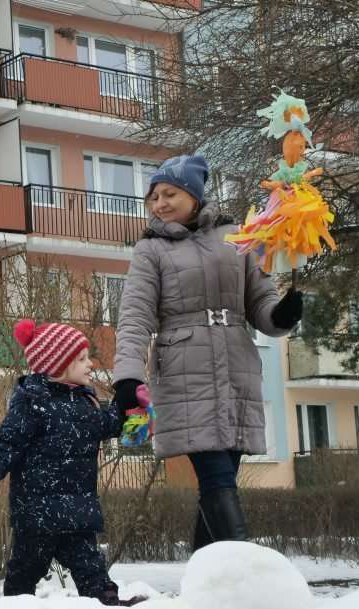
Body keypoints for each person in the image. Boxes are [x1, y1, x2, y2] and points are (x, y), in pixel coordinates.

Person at [112, 154, 300, 549]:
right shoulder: (151, 250)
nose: (160, 203)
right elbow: (134, 316)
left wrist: (281, 314)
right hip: (185, 369)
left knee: (221, 481)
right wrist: (129, 376)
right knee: (215, 477)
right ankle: (245, 569)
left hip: (236, 369)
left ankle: (205, 579)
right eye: (154, 197)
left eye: (170, 193)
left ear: (195, 196)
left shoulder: (237, 238)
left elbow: (260, 305)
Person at [0, 320, 144, 606]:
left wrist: (126, 402)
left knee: (91, 567)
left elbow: (110, 425)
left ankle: (107, 604)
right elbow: (8, 442)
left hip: (78, 512)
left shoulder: (86, 402)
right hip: (37, 515)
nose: (90, 364)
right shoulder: (32, 401)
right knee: (25, 570)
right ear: (57, 366)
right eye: (81, 359)